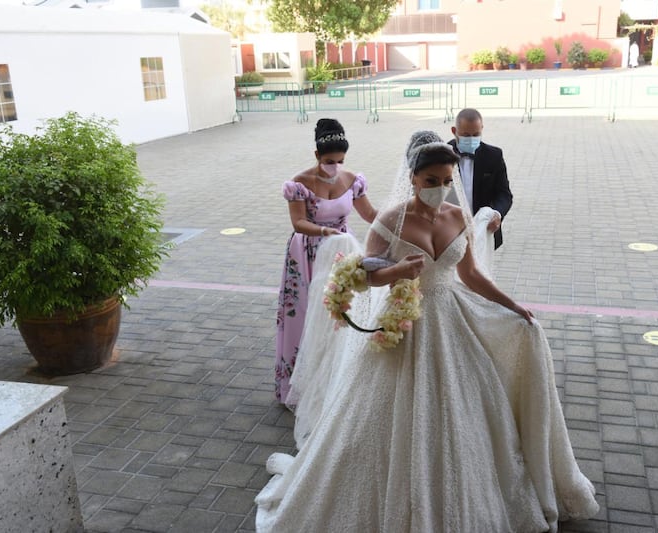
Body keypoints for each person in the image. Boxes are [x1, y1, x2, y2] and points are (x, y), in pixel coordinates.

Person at [256, 130, 600, 532]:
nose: (440, 189)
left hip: (452, 319)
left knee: (468, 404)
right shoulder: (389, 220)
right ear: (414, 178)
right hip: (405, 325)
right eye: (432, 181)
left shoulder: (457, 217)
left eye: (447, 181)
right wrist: (397, 271)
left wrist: (511, 304)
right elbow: (365, 277)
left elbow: (470, 274)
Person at [274, 118, 376, 409]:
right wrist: (323, 231)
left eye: (340, 161)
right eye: (329, 161)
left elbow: (369, 213)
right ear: (316, 155)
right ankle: (301, 384)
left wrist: (399, 218)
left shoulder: (352, 180)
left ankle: (339, 379)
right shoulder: (299, 184)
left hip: (342, 251)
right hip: (308, 252)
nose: (335, 167)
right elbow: (298, 222)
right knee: (306, 314)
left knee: (342, 314)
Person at [448, 107, 513, 250]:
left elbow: (504, 194)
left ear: (482, 129)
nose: (471, 139)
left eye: (476, 134)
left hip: (483, 233)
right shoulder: (442, 154)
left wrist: (497, 213)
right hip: (449, 234)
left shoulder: (494, 156)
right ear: (454, 131)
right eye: (465, 135)